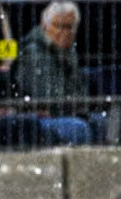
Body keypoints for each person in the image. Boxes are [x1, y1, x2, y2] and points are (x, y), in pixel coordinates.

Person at [9, 1, 94, 145]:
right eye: (59, 26)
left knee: (98, 121)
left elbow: (80, 90)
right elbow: (48, 97)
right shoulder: (34, 52)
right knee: (78, 128)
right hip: (37, 116)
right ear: (44, 25)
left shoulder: (69, 52)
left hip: (66, 111)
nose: (64, 32)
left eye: (70, 27)